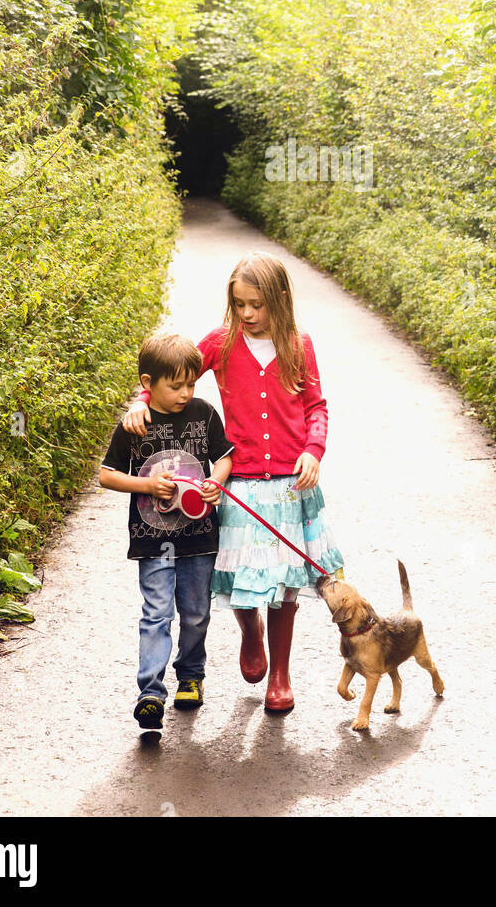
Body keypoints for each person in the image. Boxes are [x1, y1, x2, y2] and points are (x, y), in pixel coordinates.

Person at [119, 252, 344, 715]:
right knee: (243, 575)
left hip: (289, 483)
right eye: (239, 303)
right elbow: (173, 369)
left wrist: (312, 450)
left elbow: (316, 406)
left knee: (285, 583)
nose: (247, 313)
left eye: (257, 304)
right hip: (237, 483)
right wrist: (142, 399)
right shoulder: (221, 343)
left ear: (279, 300)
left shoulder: (299, 345)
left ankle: (280, 674)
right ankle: (250, 633)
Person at [99, 331, 233, 731]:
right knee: (156, 614)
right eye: (175, 386)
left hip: (199, 539)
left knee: (195, 614)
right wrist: (146, 486)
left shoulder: (204, 414)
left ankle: (191, 676)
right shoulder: (134, 426)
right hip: (152, 540)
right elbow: (106, 475)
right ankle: (150, 693)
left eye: (191, 384)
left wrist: (216, 484)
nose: (185, 393)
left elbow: (224, 457)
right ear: (147, 385)